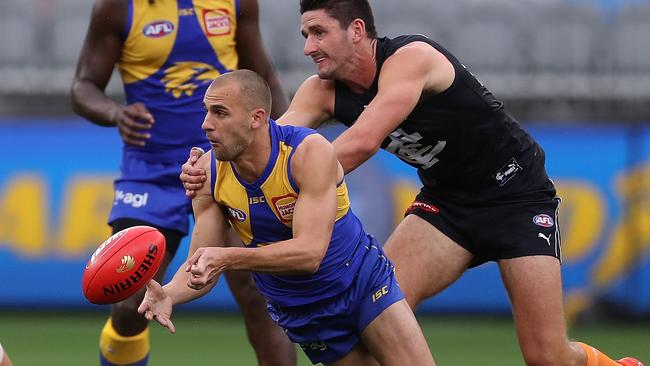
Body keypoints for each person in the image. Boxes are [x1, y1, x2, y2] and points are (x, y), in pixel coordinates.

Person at [179, 1, 645, 365]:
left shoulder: (411, 58)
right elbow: (268, 145)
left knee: (546, 356)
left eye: (319, 32)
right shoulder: (320, 91)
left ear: (357, 31)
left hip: (516, 196)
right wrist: (215, 172)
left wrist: (294, 183)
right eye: (304, 34)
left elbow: (360, 142)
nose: (308, 47)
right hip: (446, 208)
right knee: (373, 318)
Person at [138, 70, 436, 366]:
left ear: (256, 118)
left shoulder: (307, 153)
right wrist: (169, 294)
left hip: (359, 280)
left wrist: (228, 257)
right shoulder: (206, 174)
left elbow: (309, 254)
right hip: (301, 307)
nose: (206, 125)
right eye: (206, 112)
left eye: (220, 113)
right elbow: (200, 266)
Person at [70, 1, 296, 365]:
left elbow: (264, 79)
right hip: (151, 170)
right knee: (132, 301)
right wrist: (116, 113)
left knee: (259, 296)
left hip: (227, 166)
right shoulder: (118, 7)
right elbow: (83, 86)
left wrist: (287, 149)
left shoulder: (237, 3)